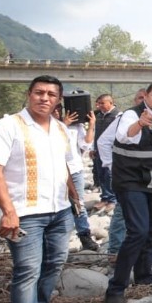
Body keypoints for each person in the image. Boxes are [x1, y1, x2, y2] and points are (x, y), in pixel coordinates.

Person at [0, 75, 77, 303]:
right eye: (39, 92)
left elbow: (66, 165)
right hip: (25, 214)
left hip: (60, 212)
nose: (44, 98)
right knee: (27, 273)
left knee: (54, 266)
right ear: (29, 94)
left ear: (58, 100)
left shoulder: (61, 129)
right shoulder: (8, 126)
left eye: (51, 94)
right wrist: (8, 211)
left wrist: (74, 198)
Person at [104, 82, 152, 303]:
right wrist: (139, 124)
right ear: (146, 96)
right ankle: (116, 289)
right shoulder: (131, 115)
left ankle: (144, 277)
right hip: (131, 183)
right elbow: (124, 137)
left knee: (151, 231)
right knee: (137, 231)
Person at [54, 105, 99, 251]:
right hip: (53, 171)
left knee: (78, 203)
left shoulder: (76, 126)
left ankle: (85, 236)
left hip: (74, 169)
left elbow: (86, 144)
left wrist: (91, 125)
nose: (56, 112)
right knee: (57, 205)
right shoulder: (44, 126)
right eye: (54, 109)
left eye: (58, 109)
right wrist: (63, 126)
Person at [92, 94, 120, 211]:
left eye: (102, 103)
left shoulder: (118, 116)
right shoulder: (98, 115)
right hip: (99, 151)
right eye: (98, 103)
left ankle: (112, 199)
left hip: (111, 151)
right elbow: (95, 133)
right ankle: (104, 197)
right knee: (101, 174)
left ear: (110, 103)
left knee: (110, 175)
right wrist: (93, 148)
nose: (99, 106)